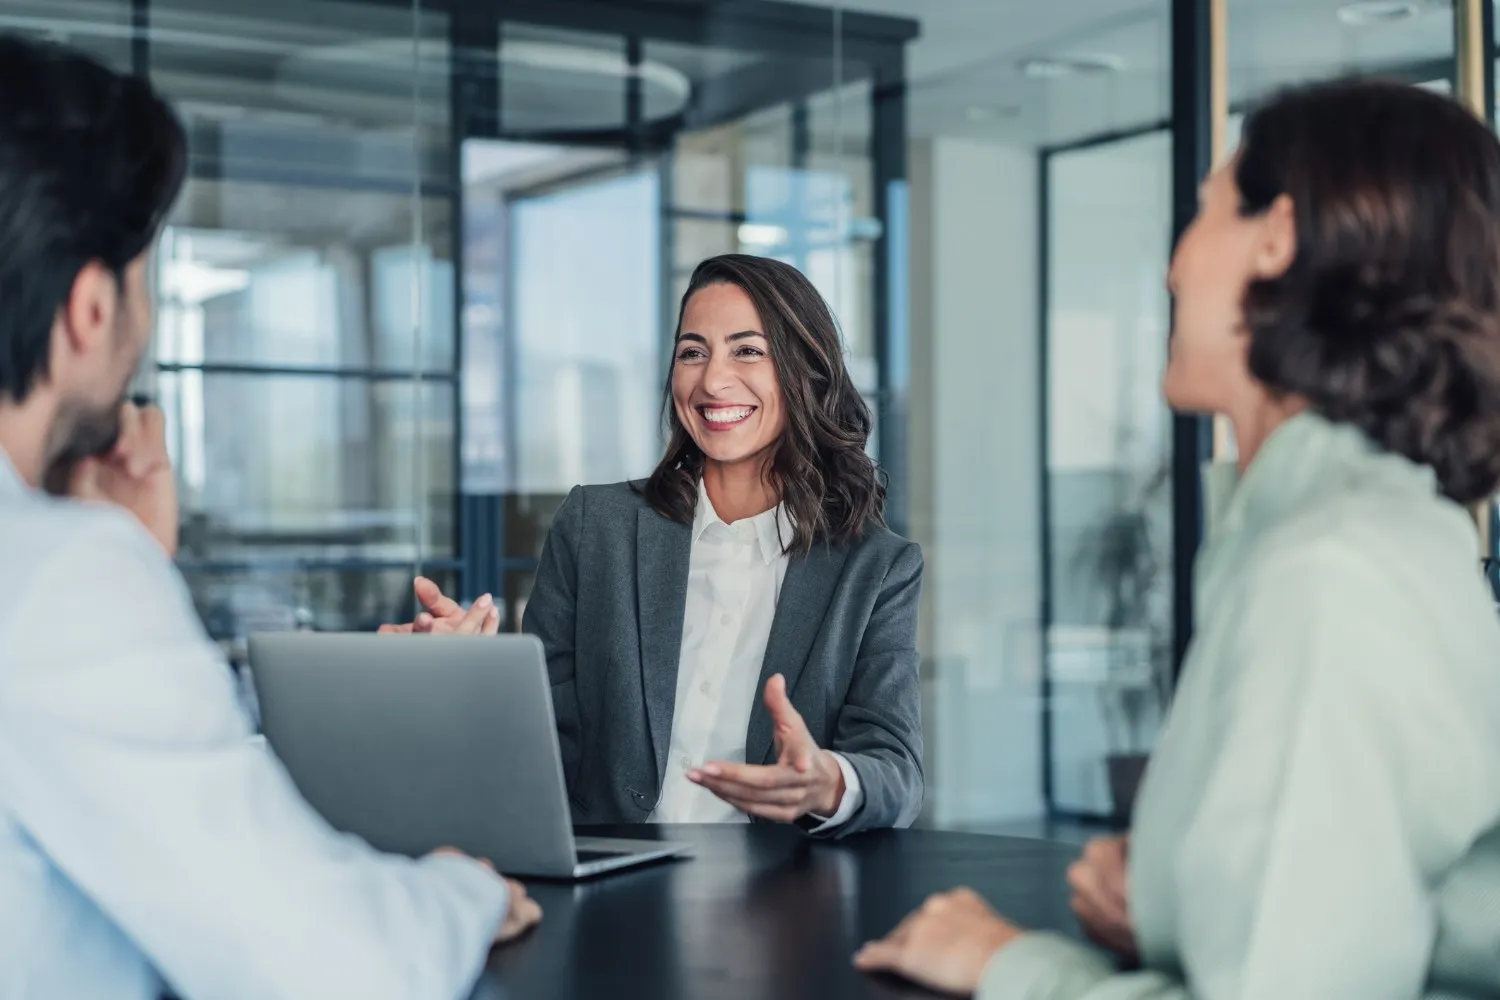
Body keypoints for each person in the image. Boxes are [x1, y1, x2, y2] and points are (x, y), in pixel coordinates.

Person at [855, 78, 1500, 998]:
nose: (1173, 266)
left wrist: (1010, 964)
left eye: (1203, 215)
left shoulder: (1330, 573)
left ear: (1274, 241)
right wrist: (1178, 907)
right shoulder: (1347, 535)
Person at [0, 35, 540, 1000]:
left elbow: (125, 784)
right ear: (89, 308)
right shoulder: (53, 578)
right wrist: (459, 890)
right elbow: (340, 966)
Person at [385, 254, 924, 834]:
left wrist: (829, 781)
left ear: (807, 372)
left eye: (747, 350)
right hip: (610, 884)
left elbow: (895, 767)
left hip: (779, 894)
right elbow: (541, 743)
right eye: (693, 352)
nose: (712, 380)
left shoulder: (876, 567)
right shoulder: (597, 527)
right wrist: (473, 680)